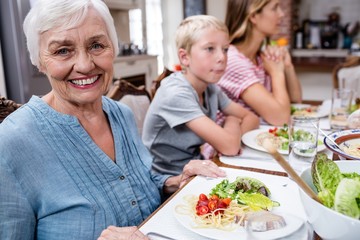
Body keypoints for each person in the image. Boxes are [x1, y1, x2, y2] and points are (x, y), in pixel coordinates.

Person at [0, 1, 226, 239]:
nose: (86, 65)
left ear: (113, 49)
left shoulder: (121, 113)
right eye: (62, 51)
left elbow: (142, 181)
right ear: (40, 61)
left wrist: (178, 180)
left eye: (97, 45)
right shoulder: (11, 142)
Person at [142, 15, 259, 176]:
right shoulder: (175, 93)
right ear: (185, 57)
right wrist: (232, 119)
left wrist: (231, 135)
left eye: (225, 49)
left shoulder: (210, 88)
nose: (222, 57)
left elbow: (252, 118)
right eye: (210, 49)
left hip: (201, 167)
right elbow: (230, 146)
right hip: (168, 181)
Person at [217, 0, 302, 126]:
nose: (281, 14)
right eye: (274, 8)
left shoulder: (259, 57)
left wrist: (287, 66)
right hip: (236, 143)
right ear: (253, 16)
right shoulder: (233, 61)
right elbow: (281, 119)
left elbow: (296, 100)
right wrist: (277, 73)